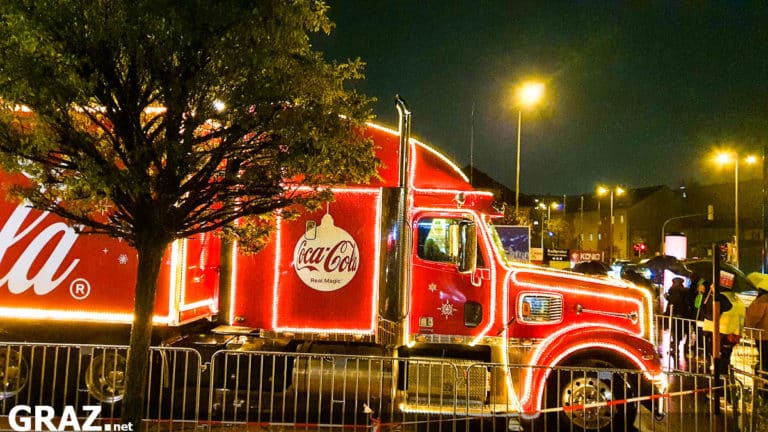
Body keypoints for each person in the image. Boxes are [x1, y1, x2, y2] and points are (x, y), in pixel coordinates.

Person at [701, 281, 746, 406]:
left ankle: (720, 394)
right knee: (724, 365)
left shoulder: (720, 298)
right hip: (731, 336)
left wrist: (709, 296)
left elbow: (709, 314)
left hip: (719, 336)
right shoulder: (736, 299)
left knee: (719, 366)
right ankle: (727, 394)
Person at [665, 277, 694, 356]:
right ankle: (684, 349)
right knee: (683, 333)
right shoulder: (685, 291)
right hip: (685, 315)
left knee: (676, 333)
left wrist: (667, 297)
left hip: (677, 315)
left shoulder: (674, 291)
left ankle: (675, 349)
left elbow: (674, 302)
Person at [745, 282, 768, 374]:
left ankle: (764, 377)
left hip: (763, 334)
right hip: (764, 333)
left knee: (764, 356)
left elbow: (753, 317)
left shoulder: (762, 300)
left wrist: (749, 329)